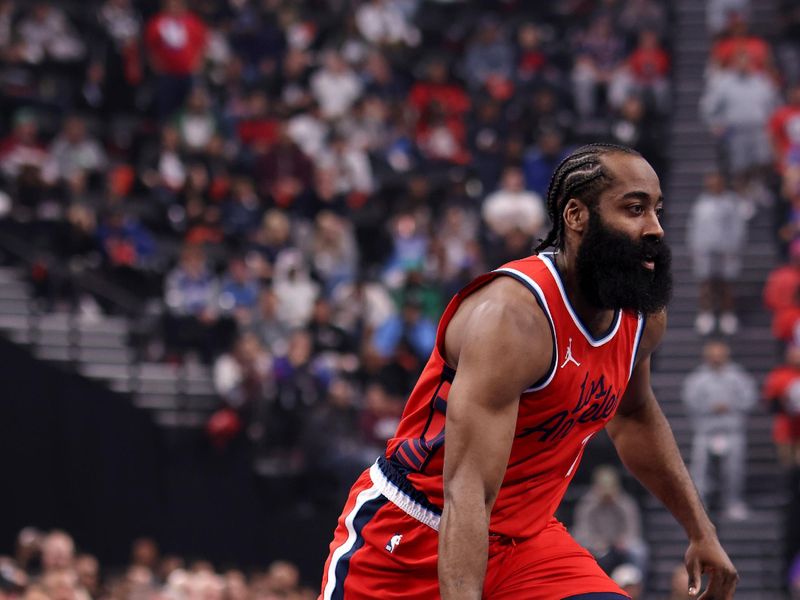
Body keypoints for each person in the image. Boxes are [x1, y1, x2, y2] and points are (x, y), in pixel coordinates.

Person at [319, 144, 738, 599]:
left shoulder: (639, 314)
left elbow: (634, 415)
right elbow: (469, 490)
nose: (654, 228)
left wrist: (701, 530)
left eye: (657, 210)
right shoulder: (513, 319)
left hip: (527, 539)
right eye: (634, 209)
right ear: (576, 216)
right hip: (416, 533)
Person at [682, 340, 756, 520]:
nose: (716, 358)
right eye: (712, 355)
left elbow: (749, 398)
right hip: (706, 430)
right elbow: (689, 401)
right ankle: (700, 504)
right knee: (699, 468)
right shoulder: (697, 378)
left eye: (719, 354)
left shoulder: (738, 376)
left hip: (731, 430)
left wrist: (730, 405)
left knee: (734, 469)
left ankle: (733, 502)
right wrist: (709, 407)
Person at [686, 171, 748, 335]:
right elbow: (694, 227)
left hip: (727, 250)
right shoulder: (701, 204)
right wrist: (694, 248)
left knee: (726, 284)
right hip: (705, 250)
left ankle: (728, 315)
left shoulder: (732, 202)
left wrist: (735, 248)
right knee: (706, 283)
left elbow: (738, 227)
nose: (712, 186)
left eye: (716, 182)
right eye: (710, 183)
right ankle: (706, 315)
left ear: (722, 183)